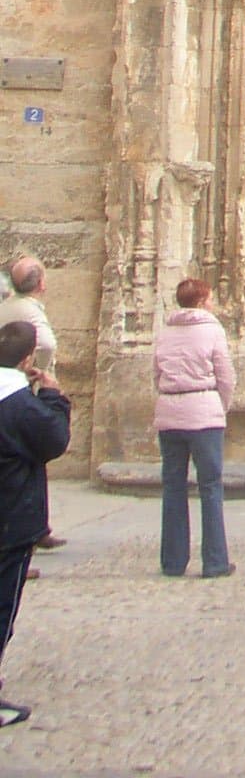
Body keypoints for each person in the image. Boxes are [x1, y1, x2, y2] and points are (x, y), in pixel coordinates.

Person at [0, 320, 70, 729]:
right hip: (11, 517)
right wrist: (54, 397)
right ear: (28, 360)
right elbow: (54, 440)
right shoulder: (22, 408)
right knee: (2, 607)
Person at [152, 277, 236, 579]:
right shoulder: (212, 330)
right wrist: (219, 405)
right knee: (210, 486)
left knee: (173, 486)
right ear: (201, 302)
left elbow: (156, 373)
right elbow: (225, 375)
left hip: (169, 412)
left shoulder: (165, 332)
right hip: (203, 413)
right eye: (209, 299)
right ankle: (215, 561)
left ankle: (173, 561)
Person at [4, 260, 62, 554]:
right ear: (40, 284)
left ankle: (35, 530)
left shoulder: (7, 306)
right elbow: (47, 344)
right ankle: (29, 534)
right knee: (27, 462)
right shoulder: (29, 310)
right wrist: (40, 369)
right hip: (19, 387)